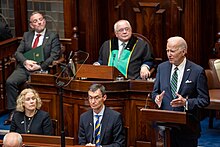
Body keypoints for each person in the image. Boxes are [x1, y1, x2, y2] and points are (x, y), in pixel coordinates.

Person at [151, 36, 210, 147]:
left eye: (172, 51)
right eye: (167, 50)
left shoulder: (197, 71)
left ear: (183, 51)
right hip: (165, 127)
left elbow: (204, 100)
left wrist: (186, 103)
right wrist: (156, 98)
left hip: (187, 128)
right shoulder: (161, 68)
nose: (169, 54)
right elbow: (154, 92)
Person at [4, 11, 61, 125]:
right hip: (25, 67)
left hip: (41, 68)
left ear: (44, 21)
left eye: (40, 19)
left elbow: (55, 55)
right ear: (31, 25)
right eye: (35, 21)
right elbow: (18, 52)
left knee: (34, 85)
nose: (39, 22)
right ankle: (14, 112)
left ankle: (35, 115)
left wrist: (40, 65)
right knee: (10, 81)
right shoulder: (27, 35)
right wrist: (25, 62)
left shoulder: (52, 36)